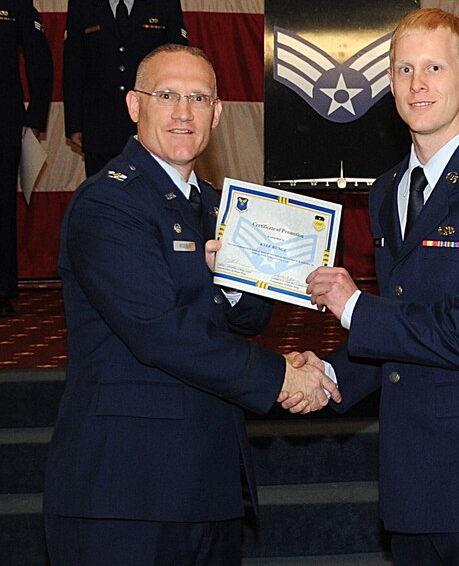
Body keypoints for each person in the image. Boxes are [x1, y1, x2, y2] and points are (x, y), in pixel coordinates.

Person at [43, 44, 340, 565]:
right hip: (127, 491)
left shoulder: (213, 204)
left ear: (217, 113)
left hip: (206, 484)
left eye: (199, 98)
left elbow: (249, 317)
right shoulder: (108, 203)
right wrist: (281, 377)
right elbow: (159, 330)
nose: (184, 112)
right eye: (167, 95)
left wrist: (228, 284)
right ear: (135, 106)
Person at [303, 8, 459, 566]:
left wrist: (355, 308)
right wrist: (332, 375)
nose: (418, 84)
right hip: (411, 477)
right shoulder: (389, 189)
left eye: (435, 67)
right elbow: (405, 320)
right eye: (404, 69)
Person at [64, 0, 188, 178]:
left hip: (151, 123)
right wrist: (74, 124)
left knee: (153, 195)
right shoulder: (82, 6)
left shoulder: (164, 5)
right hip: (99, 126)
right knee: (103, 198)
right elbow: (73, 69)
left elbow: (178, 68)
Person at [0, 0, 52, 317]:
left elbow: (39, 58)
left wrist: (35, 116)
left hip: (4, 119)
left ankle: (2, 289)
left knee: (3, 207)